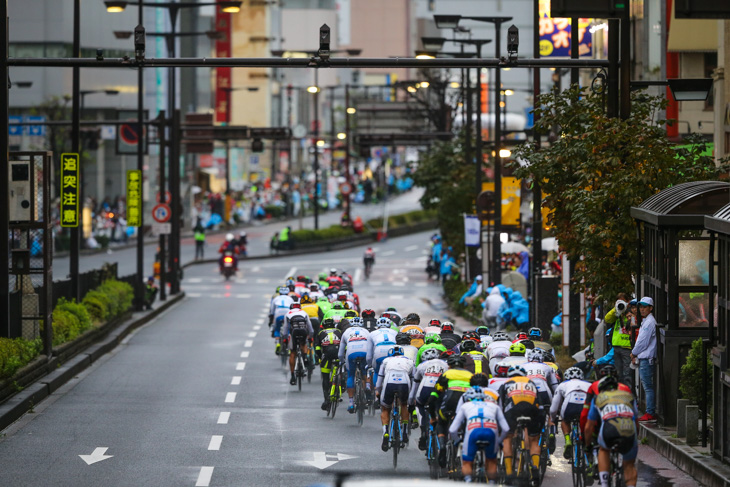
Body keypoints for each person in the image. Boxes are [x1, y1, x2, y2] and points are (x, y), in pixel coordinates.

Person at [584, 375, 639, 487]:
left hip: (609, 430)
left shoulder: (598, 398)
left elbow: (588, 427)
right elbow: (636, 423)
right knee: (629, 466)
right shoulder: (629, 396)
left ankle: (604, 483)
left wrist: (588, 445)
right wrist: (634, 440)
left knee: (603, 450)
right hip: (629, 430)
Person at [450, 386, 510, 483]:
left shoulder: (465, 406)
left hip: (473, 433)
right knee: (491, 461)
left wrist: (458, 441)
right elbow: (506, 428)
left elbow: (452, 429)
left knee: (467, 462)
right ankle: (491, 483)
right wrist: (499, 441)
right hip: (491, 433)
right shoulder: (494, 406)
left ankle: (468, 481)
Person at [428, 353, 473, 466]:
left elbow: (434, 396)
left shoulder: (447, 374)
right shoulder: (470, 375)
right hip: (466, 404)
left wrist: (433, 417)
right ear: (464, 366)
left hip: (450, 402)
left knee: (441, 423)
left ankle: (442, 446)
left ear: (449, 366)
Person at [499, 365, 543, 480]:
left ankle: (509, 473)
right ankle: (535, 468)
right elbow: (540, 402)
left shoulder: (506, 383)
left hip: (513, 410)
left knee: (507, 438)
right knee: (534, 440)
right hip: (532, 410)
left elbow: (500, 405)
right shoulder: (531, 382)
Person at [376, 346, 415, 451]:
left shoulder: (385, 361)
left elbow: (380, 380)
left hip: (389, 381)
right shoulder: (410, 361)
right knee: (403, 404)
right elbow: (414, 380)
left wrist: (377, 392)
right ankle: (405, 431)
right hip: (404, 382)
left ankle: (385, 433)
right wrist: (412, 396)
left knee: (385, 408)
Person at [410, 347, 448, 450]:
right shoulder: (445, 364)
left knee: (419, 404)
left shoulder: (422, 365)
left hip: (425, 388)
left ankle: (423, 431)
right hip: (439, 389)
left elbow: (415, 385)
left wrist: (411, 401)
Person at [550, 366, 591, 459]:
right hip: (584, 406)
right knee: (586, 422)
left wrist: (553, 419)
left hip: (570, 404)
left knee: (565, 420)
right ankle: (586, 440)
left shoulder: (563, 385)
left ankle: (568, 440)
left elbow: (554, 406)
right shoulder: (588, 384)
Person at [631, 296, 657, 422]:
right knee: (647, 386)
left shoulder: (649, 322)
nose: (642, 309)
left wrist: (634, 353)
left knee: (647, 386)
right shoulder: (647, 321)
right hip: (645, 357)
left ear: (650, 308)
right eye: (640, 307)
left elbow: (642, 342)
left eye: (644, 307)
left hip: (646, 358)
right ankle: (649, 411)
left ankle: (650, 412)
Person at [338, 319, 371, 413]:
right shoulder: (366, 331)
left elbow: (340, 354)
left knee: (351, 375)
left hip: (351, 353)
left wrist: (342, 362)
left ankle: (351, 402)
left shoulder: (346, 332)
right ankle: (367, 385)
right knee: (366, 370)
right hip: (364, 352)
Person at [604, 294, 634, 389]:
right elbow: (607, 319)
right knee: (618, 374)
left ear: (628, 301)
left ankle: (628, 394)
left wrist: (627, 309)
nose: (621, 303)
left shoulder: (631, 313)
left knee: (627, 374)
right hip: (616, 347)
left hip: (627, 347)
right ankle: (620, 391)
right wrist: (616, 309)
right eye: (618, 301)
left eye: (623, 301)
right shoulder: (618, 313)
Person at [282, 303, 314, 385]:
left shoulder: (288, 313)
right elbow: (309, 326)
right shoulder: (304, 312)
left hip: (294, 332)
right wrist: (310, 336)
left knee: (292, 352)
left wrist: (285, 338)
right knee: (303, 344)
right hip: (303, 331)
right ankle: (305, 358)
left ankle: (293, 376)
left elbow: (285, 327)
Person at [315, 318, 342, 410]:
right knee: (342, 370)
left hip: (327, 356)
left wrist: (320, 358)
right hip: (338, 354)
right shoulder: (339, 331)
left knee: (325, 378)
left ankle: (326, 400)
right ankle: (340, 386)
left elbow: (317, 349)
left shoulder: (320, 333)